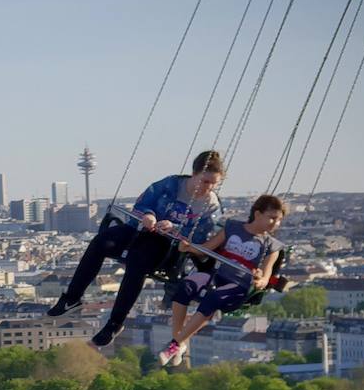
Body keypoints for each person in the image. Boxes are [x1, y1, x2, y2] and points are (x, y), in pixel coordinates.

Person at [47, 150, 225, 346]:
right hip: (141, 229)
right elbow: (144, 202)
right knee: (101, 242)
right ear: (194, 174)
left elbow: (205, 236)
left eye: (213, 184)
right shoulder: (171, 184)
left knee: (137, 262)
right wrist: (149, 215)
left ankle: (115, 323)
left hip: (168, 246)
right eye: (205, 181)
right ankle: (72, 298)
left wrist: (175, 228)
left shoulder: (211, 206)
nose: (208, 188)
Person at [156, 194, 285, 366]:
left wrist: (259, 280)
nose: (276, 224)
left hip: (238, 285)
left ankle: (175, 344)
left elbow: (266, 277)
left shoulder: (271, 245)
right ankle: (179, 342)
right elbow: (206, 249)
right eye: (272, 218)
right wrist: (189, 248)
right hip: (217, 275)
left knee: (212, 299)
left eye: (279, 220)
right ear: (258, 214)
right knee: (185, 286)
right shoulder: (232, 227)